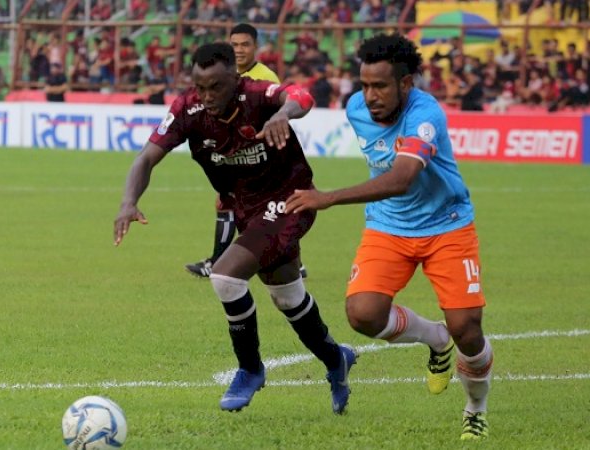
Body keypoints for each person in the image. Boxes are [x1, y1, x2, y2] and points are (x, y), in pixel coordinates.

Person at [113, 42, 356, 415]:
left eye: (216, 87)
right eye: (200, 86)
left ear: (235, 78)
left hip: (292, 199)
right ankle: (335, 358)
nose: (207, 96)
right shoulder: (187, 109)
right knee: (287, 296)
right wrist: (128, 201)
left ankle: (249, 368)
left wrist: (283, 114)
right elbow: (146, 157)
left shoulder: (259, 96)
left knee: (225, 276)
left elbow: (300, 96)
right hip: (248, 211)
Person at [285, 34, 493, 440]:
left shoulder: (425, 114)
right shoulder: (356, 109)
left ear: (406, 84)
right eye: (364, 85)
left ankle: (475, 408)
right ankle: (435, 338)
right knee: (363, 314)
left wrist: (327, 198)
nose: (370, 95)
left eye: (380, 85)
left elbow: (401, 178)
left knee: (467, 328)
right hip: (388, 226)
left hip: (447, 225)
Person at [185, 23, 308, 280]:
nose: (239, 50)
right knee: (228, 204)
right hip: (238, 156)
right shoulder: (221, 76)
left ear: (256, 47)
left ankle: (220, 261)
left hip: (265, 159)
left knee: (269, 211)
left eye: (245, 45)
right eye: (235, 45)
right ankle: (222, 259)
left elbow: (277, 110)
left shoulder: (265, 78)